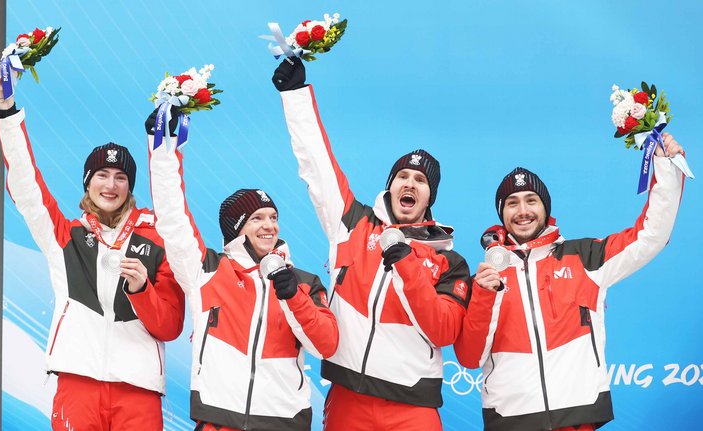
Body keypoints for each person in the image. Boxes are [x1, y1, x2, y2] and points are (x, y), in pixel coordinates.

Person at [272, 58, 490, 431]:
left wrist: (407, 264)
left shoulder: (449, 261)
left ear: (429, 197)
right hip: (347, 397)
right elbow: (317, 165)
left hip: (412, 407)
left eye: (420, 180)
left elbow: (443, 331)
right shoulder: (352, 223)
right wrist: (295, 95)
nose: (409, 183)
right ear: (390, 185)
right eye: (402, 175)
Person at [0, 68, 185, 431]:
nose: (110, 185)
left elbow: (170, 326)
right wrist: (7, 108)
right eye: (102, 175)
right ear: (88, 182)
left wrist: (142, 290)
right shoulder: (66, 237)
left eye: (120, 177)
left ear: (130, 186)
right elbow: (25, 185)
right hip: (77, 385)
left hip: (138, 392)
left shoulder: (158, 240)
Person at [454, 135, 686, 431]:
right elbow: (470, 357)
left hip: (576, 419)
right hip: (510, 420)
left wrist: (665, 166)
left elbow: (650, 235)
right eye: (512, 203)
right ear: (502, 213)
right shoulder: (486, 278)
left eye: (531, 200)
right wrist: (485, 296)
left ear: (545, 207)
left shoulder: (584, 257)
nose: (522, 210)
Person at [146, 109, 339, 431]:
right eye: (257, 219)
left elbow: (326, 345)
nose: (269, 226)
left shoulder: (304, 282)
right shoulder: (206, 271)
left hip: (282, 423)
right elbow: (172, 218)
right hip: (219, 421)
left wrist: (292, 296)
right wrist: (162, 151)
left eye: (273, 217)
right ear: (237, 230)